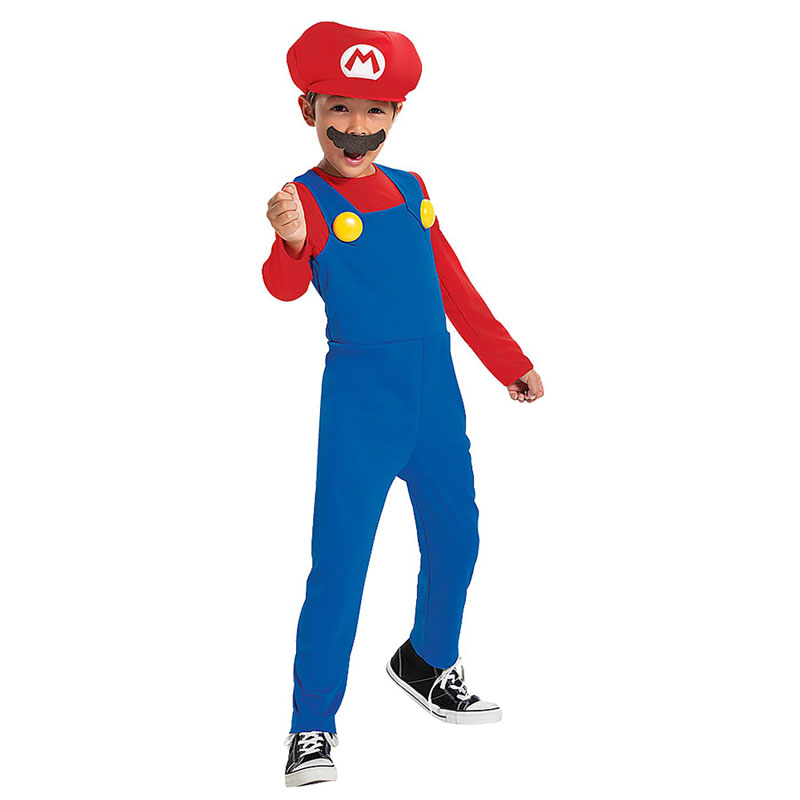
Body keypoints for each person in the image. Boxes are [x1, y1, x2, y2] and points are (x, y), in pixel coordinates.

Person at [262, 21, 544, 787]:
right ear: (308, 110)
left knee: (458, 540)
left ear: (396, 114)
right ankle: (311, 725)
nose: (357, 129)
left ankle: (427, 660)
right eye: (339, 110)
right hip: (362, 406)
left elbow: (452, 283)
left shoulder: (414, 189)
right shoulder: (305, 198)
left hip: (437, 399)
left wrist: (508, 361)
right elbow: (284, 288)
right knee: (341, 566)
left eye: (375, 111)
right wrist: (290, 241)